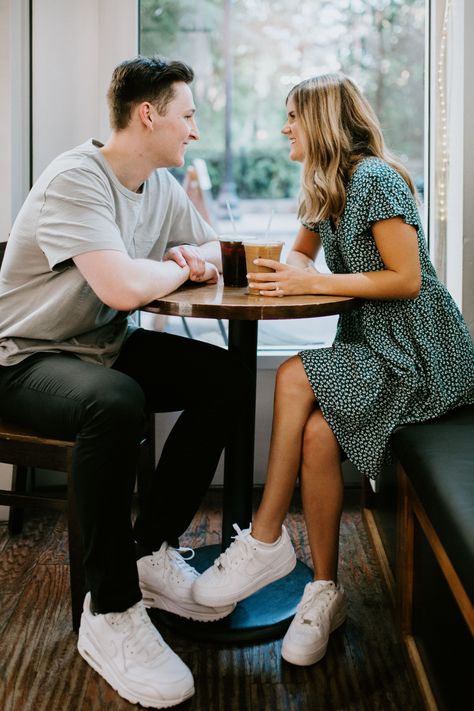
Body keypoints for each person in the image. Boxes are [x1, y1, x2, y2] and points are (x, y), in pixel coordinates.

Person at [193, 73, 474, 667]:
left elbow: (407, 279)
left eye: (291, 116)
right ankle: (324, 590)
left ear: (320, 119)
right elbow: (300, 254)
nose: (283, 128)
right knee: (320, 436)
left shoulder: (374, 178)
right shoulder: (325, 187)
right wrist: (282, 268)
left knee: (294, 373)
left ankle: (266, 538)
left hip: (421, 352)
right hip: (374, 346)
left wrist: (313, 280)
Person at [0, 56, 250, 708]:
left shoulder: (160, 186)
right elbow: (121, 285)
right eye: (187, 114)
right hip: (25, 359)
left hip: (99, 348)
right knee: (117, 402)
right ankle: (108, 610)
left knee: (225, 377)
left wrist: (190, 251)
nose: (193, 130)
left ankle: (150, 550)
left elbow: (213, 257)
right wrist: (175, 266)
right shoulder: (76, 177)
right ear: (149, 114)